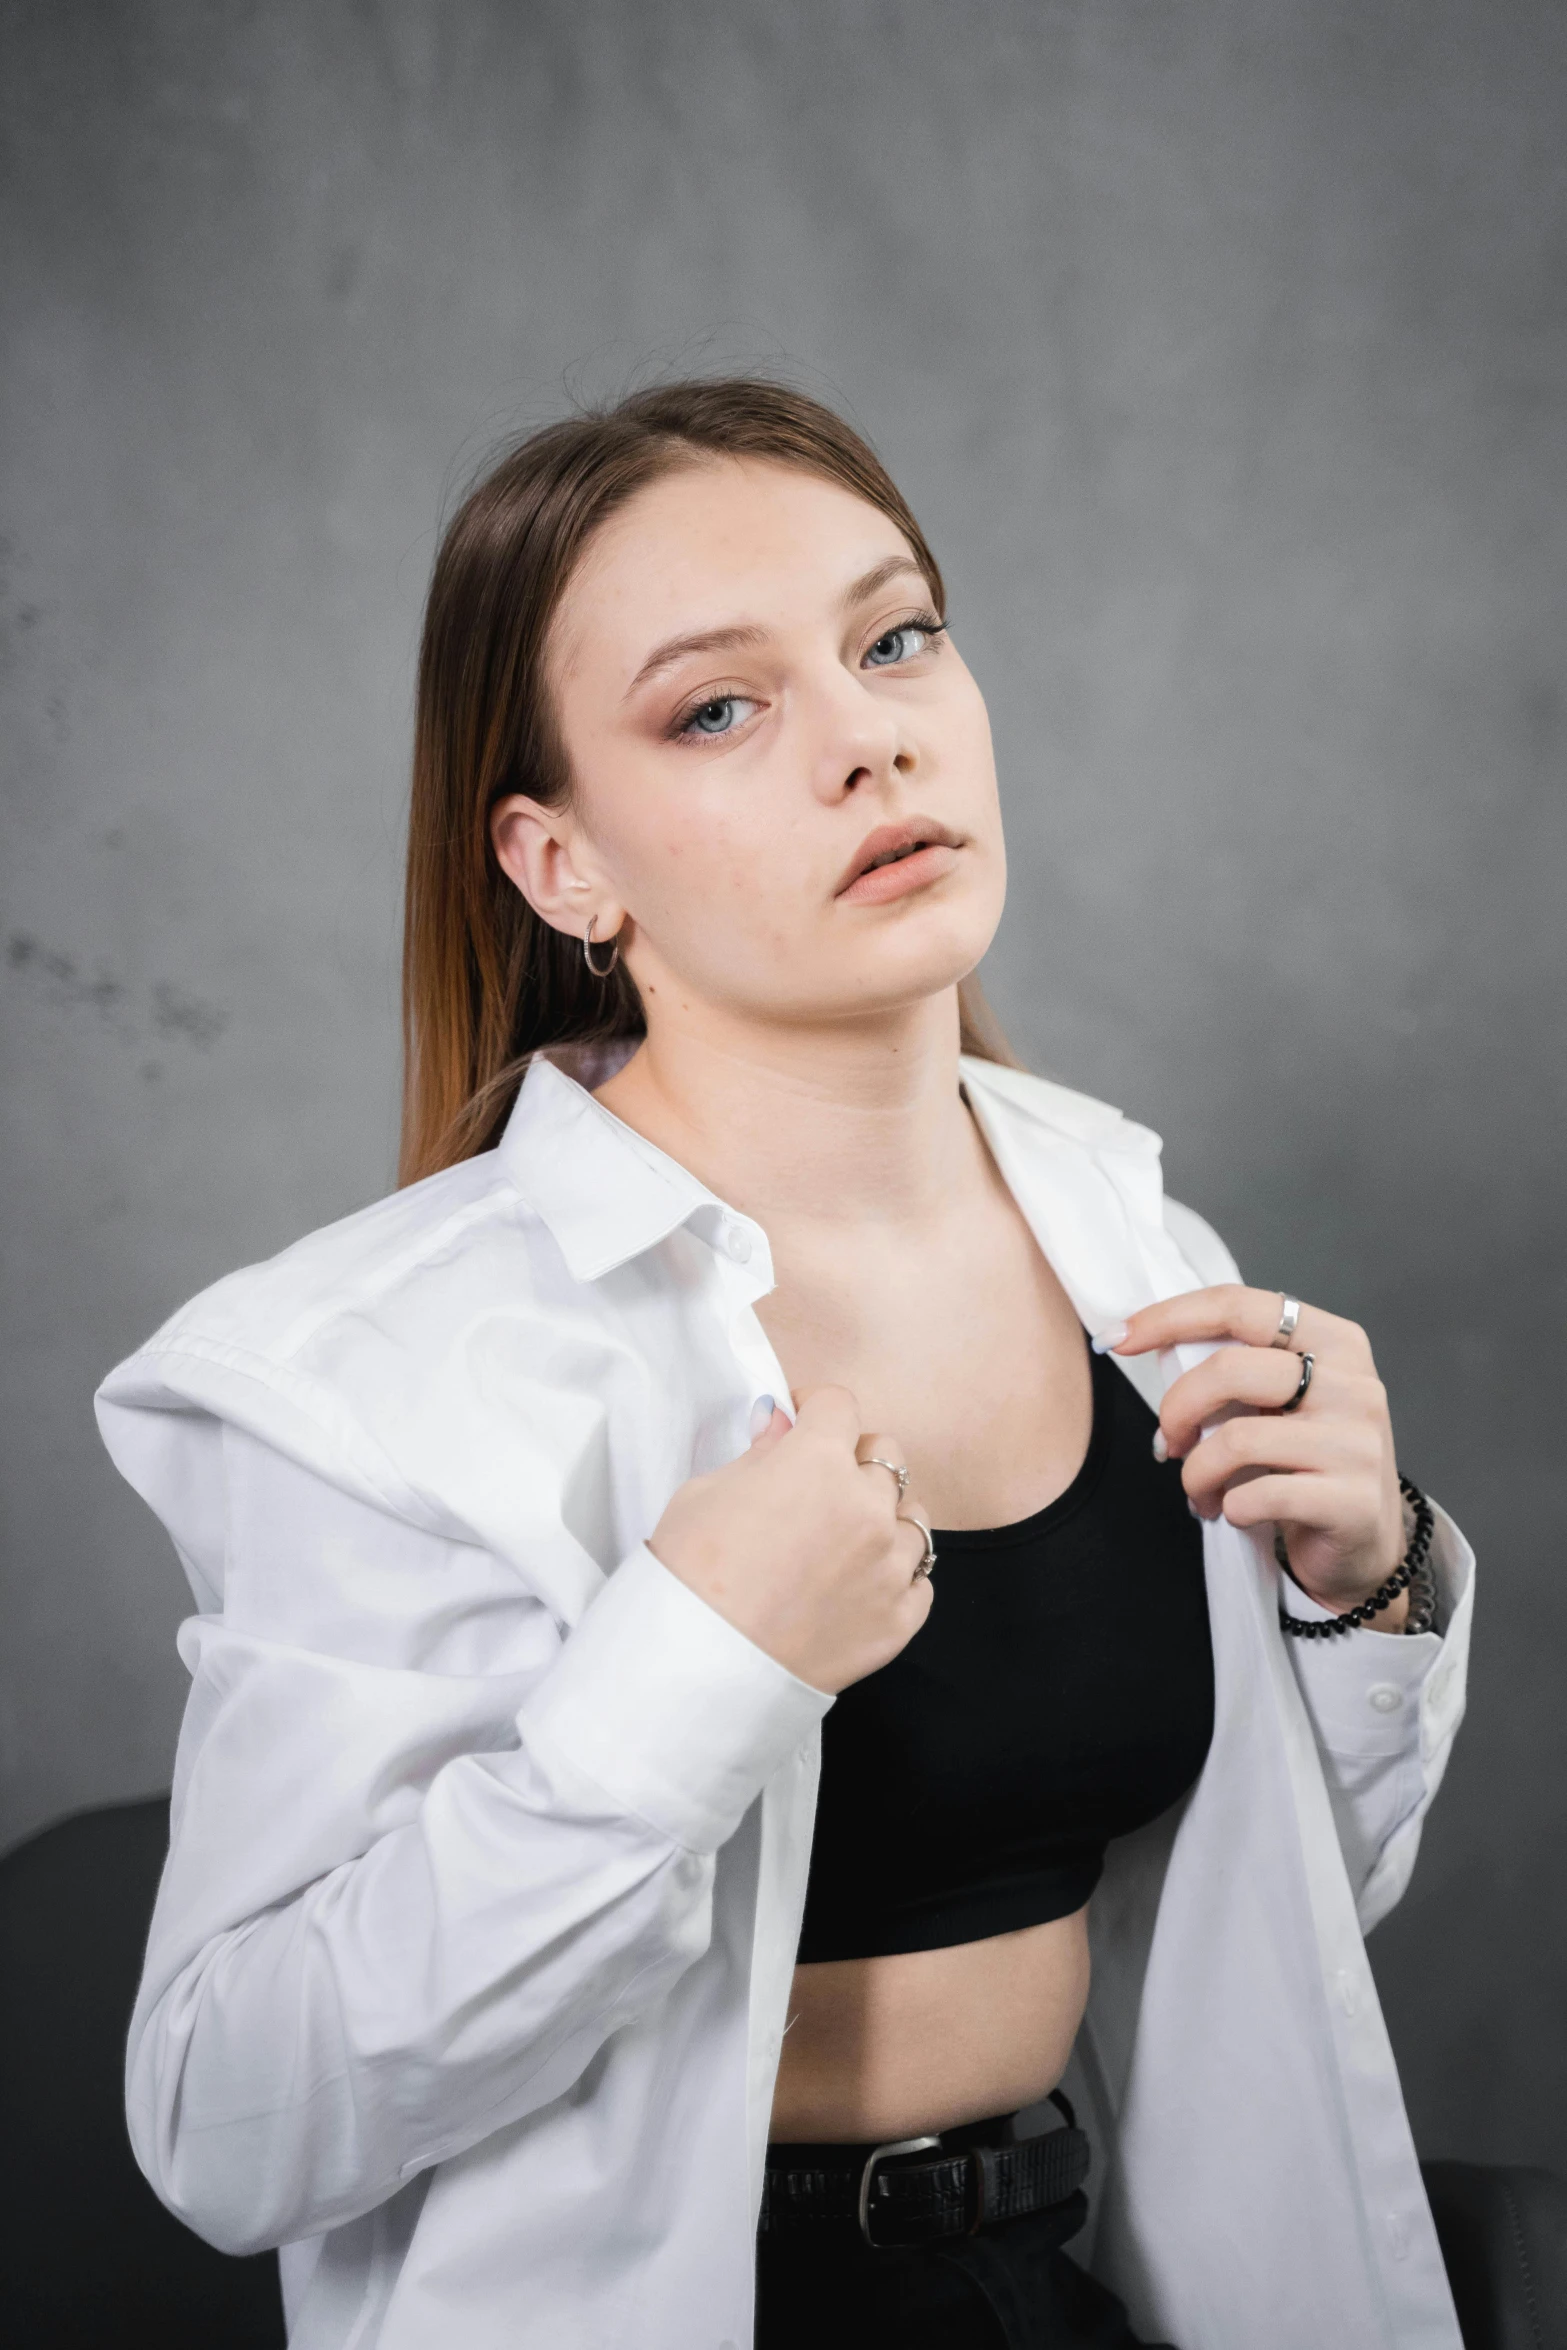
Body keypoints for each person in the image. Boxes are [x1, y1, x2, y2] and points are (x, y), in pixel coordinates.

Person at [96, 378, 1474, 2350]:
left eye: (894, 634)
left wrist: (1381, 1591)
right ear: (563, 863)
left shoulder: (1141, 1253)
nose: (872, 737)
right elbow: (228, 2119)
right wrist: (690, 1667)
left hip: (1050, 2281)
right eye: (718, 706)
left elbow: (1268, 1923)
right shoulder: (366, 1369)